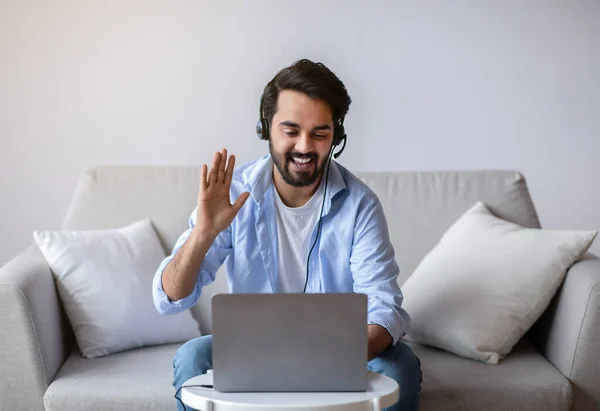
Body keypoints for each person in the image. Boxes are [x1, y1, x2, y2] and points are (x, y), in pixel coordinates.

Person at [152, 58, 422, 411]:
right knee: (192, 357)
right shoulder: (235, 193)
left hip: (340, 347)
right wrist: (203, 233)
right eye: (291, 131)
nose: (304, 147)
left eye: (320, 133)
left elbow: (384, 305)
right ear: (266, 128)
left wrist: (344, 353)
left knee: (399, 368)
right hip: (253, 345)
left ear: (337, 136)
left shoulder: (360, 205)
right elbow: (168, 298)